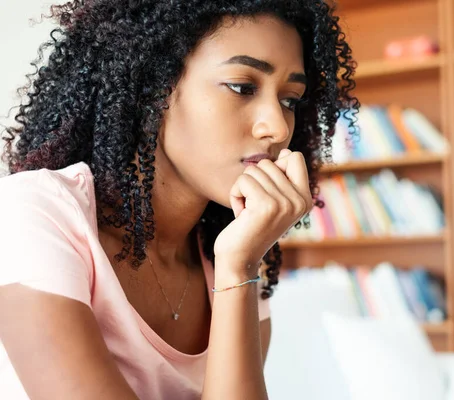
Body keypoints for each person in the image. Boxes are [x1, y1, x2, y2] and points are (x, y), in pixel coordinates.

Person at [0, 0, 359, 399]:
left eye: (290, 100)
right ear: (154, 87)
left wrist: (239, 268)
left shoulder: (234, 260)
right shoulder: (34, 213)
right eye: (242, 87)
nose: (276, 127)